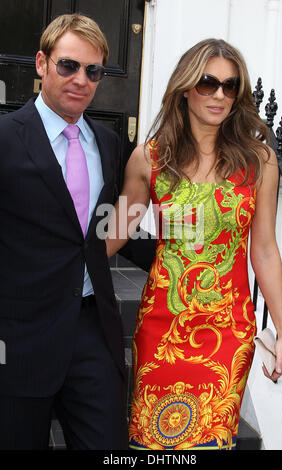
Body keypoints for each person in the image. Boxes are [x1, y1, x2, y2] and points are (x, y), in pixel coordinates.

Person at [105, 38, 282, 450]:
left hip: (228, 329)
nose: (220, 95)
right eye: (208, 83)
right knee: (152, 445)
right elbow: (115, 231)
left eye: (231, 86)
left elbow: (263, 249)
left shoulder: (259, 161)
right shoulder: (149, 158)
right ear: (187, 87)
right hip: (163, 325)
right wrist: (51, 268)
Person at [0, 13, 131, 450]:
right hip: (18, 338)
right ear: (41, 63)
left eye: (92, 71)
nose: (81, 80)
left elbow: (99, 228)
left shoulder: (108, 143)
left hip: (92, 330)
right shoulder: (4, 137)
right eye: (68, 66)